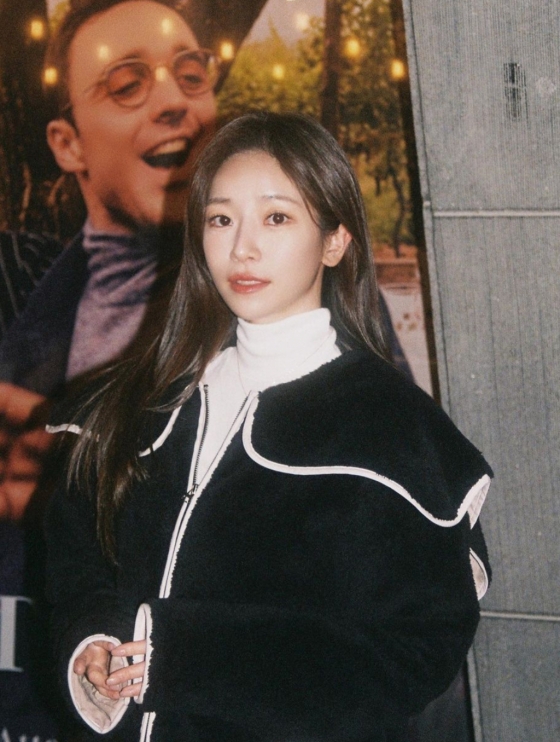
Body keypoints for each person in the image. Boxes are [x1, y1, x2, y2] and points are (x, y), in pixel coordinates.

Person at [45, 112, 492, 742]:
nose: (242, 249)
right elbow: (76, 566)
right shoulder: (131, 406)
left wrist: (194, 658)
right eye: (221, 219)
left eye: (276, 218)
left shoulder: (396, 435)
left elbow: (410, 657)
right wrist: (90, 640)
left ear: (334, 241)